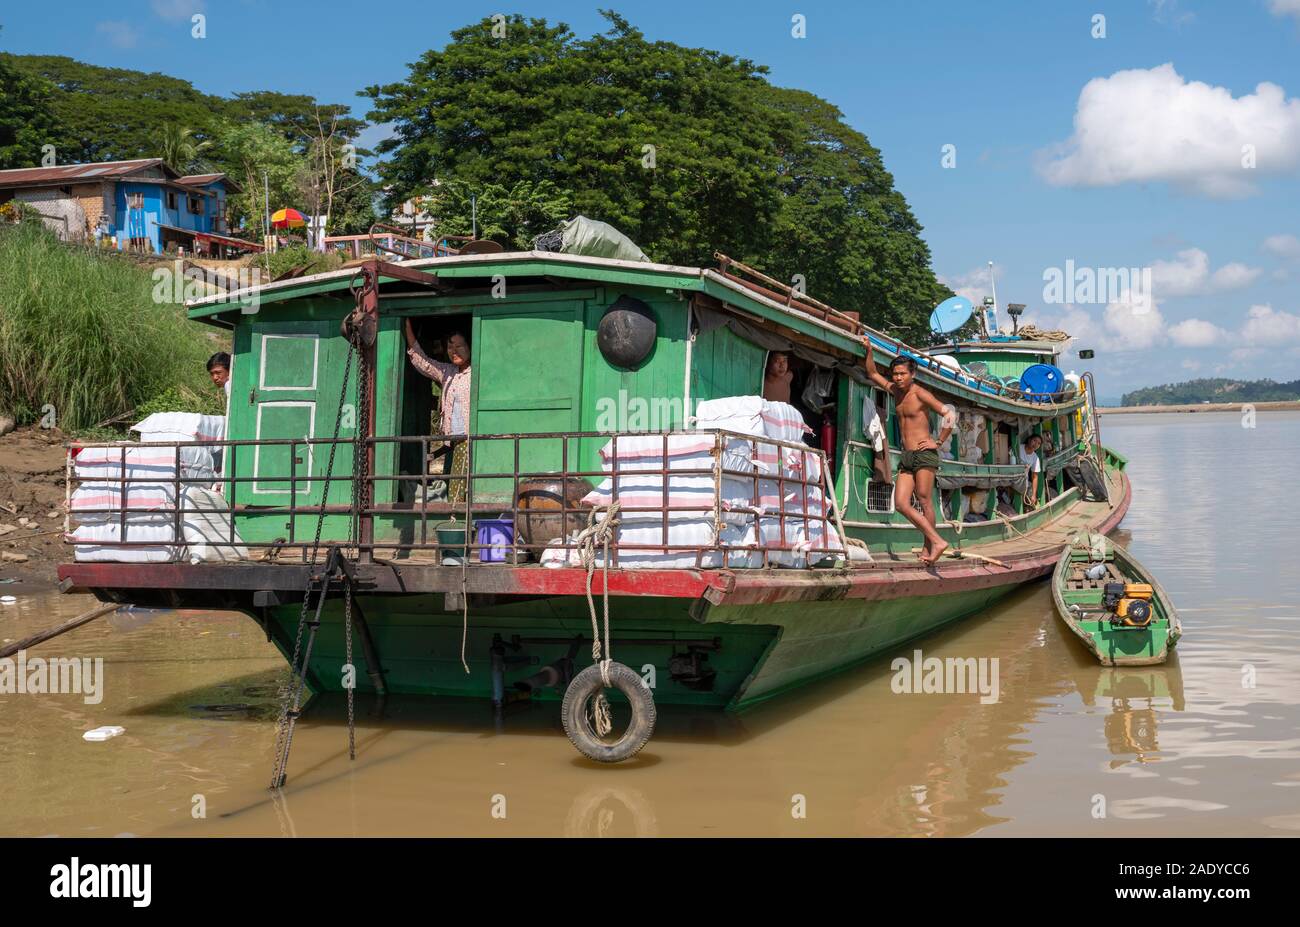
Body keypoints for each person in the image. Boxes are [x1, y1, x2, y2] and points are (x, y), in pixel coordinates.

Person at [862, 340, 954, 565]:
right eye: (895, 374)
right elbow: (873, 373)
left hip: (924, 454)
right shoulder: (895, 391)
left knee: (924, 500)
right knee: (902, 503)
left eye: (902, 373)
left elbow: (949, 414)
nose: (898, 377)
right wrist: (869, 350)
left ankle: (929, 546)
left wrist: (938, 441)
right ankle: (937, 541)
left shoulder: (920, 393)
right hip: (907, 456)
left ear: (912, 374)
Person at [404, 320, 472, 504]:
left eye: (459, 345)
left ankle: (456, 525)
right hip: (452, 442)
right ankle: (452, 523)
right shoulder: (448, 372)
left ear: (470, 346)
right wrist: (408, 329)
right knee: (450, 486)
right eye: (450, 347)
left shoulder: (477, 372)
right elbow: (423, 362)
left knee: (459, 491)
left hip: (469, 441)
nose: (454, 351)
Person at [1020, 434, 1043, 509]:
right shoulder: (1019, 448)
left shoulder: (1035, 458)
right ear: (1029, 440)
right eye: (1034, 441)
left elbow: (1035, 477)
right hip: (1012, 478)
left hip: (1024, 482)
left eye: (1039, 443)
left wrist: (1033, 495)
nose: (1036, 444)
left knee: (1031, 500)